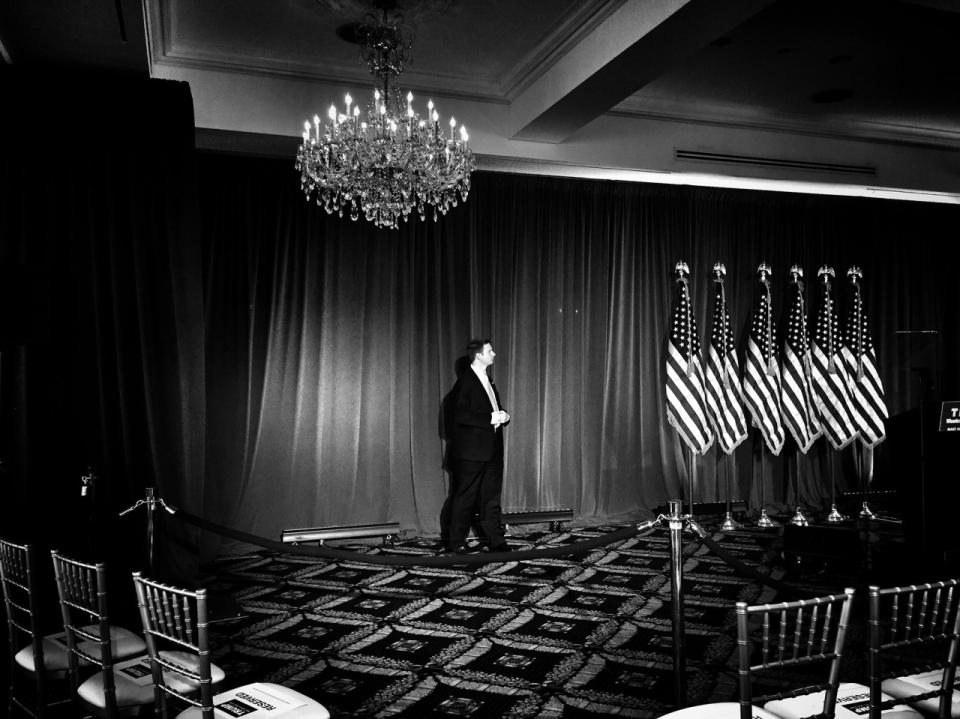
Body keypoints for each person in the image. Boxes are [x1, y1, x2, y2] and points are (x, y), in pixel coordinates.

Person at [444, 338, 510, 554]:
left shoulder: (488, 381)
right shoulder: (465, 383)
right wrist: (491, 418)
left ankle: (496, 541)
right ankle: (456, 543)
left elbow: (493, 409)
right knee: (465, 498)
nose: (494, 354)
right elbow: (460, 416)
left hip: (491, 452)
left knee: (491, 498)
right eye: (490, 351)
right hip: (471, 453)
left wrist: (504, 416)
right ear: (479, 355)